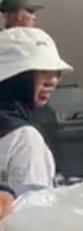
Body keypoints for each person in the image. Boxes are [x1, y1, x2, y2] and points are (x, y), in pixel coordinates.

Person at [0, 26, 71, 189]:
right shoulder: (24, 141)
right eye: (43, 72)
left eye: (57, 73)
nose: (53, 81)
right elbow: (34, 209)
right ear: (17, 79)